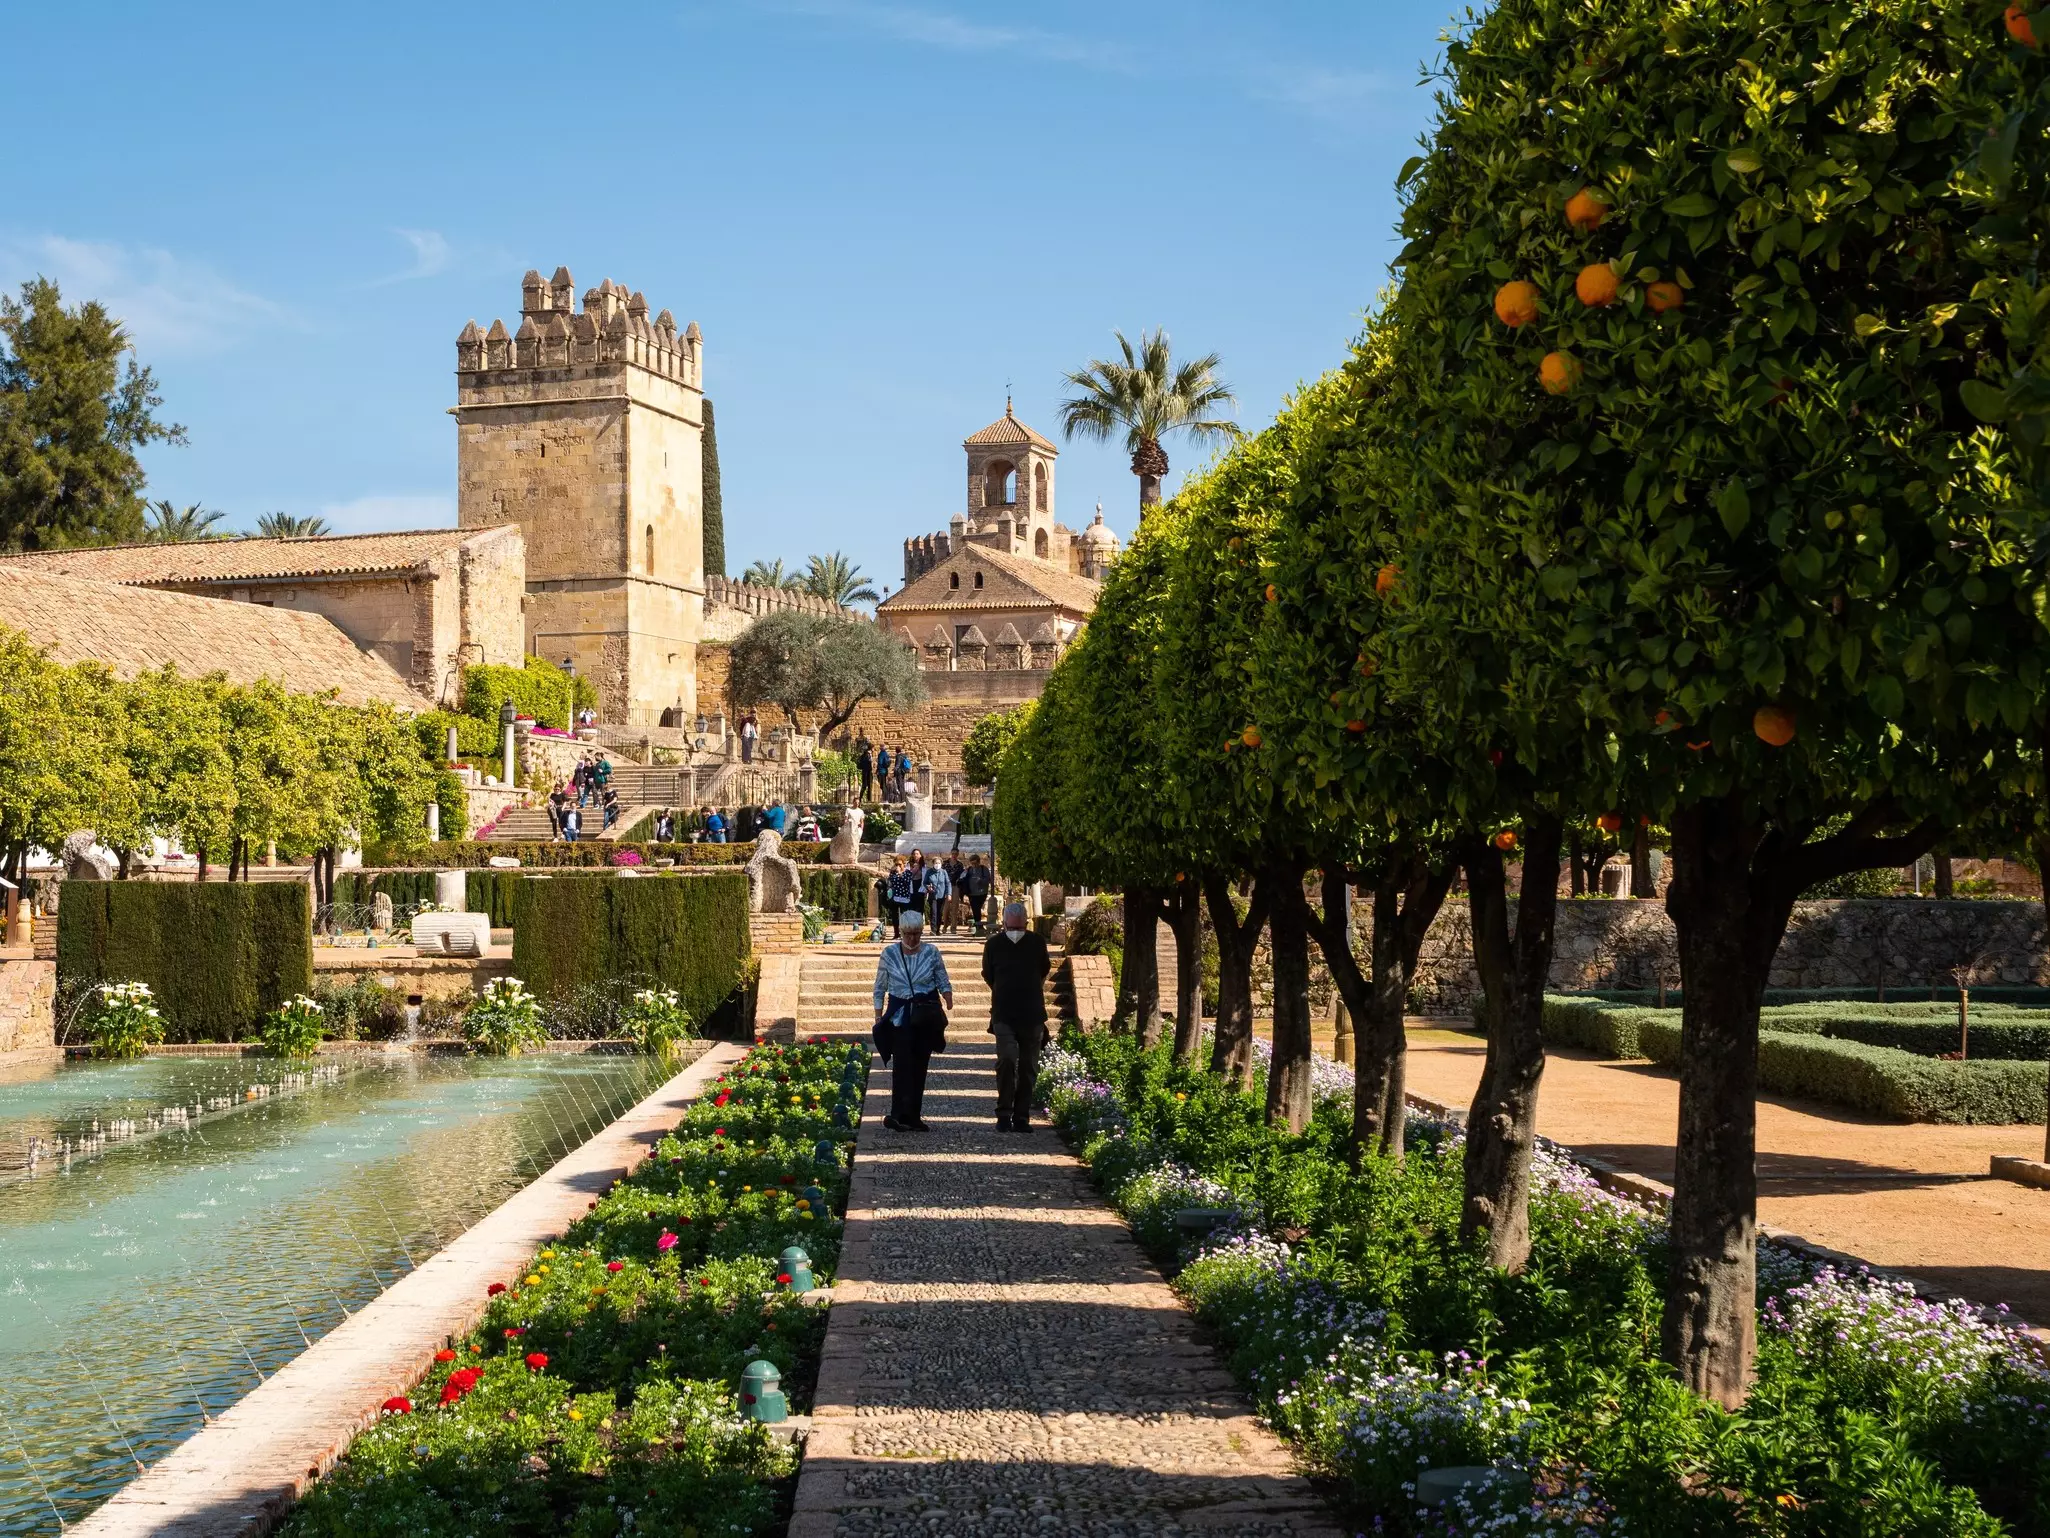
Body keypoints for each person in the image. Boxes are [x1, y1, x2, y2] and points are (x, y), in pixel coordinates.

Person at [873, 909, 951, 1132]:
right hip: (899, 1018)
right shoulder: (889, 954)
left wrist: (947, 995)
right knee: (902, 1066)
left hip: (925, 1017)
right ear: (901, 932)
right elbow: (879, 986)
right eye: (908, 934)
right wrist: (878, 1015)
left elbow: (941, 976)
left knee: (920, 1066)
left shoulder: (931, 952)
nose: (912, 939)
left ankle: (914, 1116)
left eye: (916, 933)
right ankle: (898, 1114)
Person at [983, 902, 1052, 1132]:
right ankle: (1004, 1112)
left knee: (1028, 1067)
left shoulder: (1037, 943)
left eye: (1019, 929)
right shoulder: (993, 945)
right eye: (1010, 928)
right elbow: (989, 974)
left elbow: (1043, 969)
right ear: (1003, 925)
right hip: (1003, 1013)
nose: (1014, 933)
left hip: (1032, 1014)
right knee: (1007, 1059)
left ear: (1026, 925)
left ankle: (1022, 1116)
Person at [960, 853, 993, 934]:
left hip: (982, 893)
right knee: (975, 909)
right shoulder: (969, 869)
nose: (974, 865)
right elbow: (962, 877)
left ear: (978, 862)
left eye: (975, 863)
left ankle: (978, 925)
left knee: (977, 909)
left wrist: (980, 880)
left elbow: (988, 880)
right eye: (972, 863)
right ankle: (978, 926)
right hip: (972, 893)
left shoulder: (983, 869)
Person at [884, 858, 917, 936]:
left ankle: (904, 933)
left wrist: (900, 874)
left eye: (900, 864)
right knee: (895, 916)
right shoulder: (892, 873)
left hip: (904, 896)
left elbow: (907, 882)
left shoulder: (908, 872)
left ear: (904, 864)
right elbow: (891, 882)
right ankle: (896, 933)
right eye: (896, 864)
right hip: (895, 896)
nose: (898, 866)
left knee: (904, 915)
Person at [923, 856, 952, 934]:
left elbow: (948, 883)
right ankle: (933, 929)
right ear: (933, 863)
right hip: (932, 895)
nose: (937, 864)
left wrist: (949, 894)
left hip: (941, 895)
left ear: (941, 864)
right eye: (936, 863)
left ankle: (938, 929)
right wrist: (928, 887)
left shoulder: (944, 872)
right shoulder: (929, 872)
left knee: (939, 912)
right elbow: (925, 882)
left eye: (939, 863)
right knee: (933, 912)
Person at [855, 735, 874, 801]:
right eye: (873, 748)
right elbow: (866, 763)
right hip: (866, 772)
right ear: (871, 748)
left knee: (869, 785)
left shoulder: (868, 754)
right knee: (865, 785)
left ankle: (869, 799)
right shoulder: (866, 755)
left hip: (868, 771)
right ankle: (860, 798)